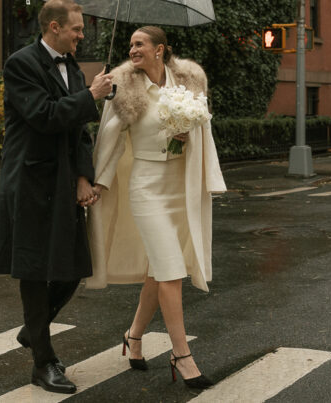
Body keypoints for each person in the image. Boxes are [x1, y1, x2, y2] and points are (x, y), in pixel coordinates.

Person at [87, 26, 226, 390]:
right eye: (131, 44)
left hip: (180, 185)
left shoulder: (189, 80)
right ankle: (182, 355)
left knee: (159, 269)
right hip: (146, 186)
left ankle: (133, 337)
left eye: (139, 44)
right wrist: (98, 181)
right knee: (170, 272)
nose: (132, 50)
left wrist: (186, 132)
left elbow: (204, 128)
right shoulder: (124, 86)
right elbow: (110, 137)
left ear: (159, 49)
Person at [0, 0, 114, 394]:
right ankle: (43, 363)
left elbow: (79, 131)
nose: (82, 35)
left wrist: (84, 176)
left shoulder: (75, 70)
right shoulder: (20, 64)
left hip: (64, 181)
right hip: (29, 182)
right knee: (33, 269)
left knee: (73, 265)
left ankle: (33, 329)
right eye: (77, 29)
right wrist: (90, 97)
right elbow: (44, 115)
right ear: (54, 27)